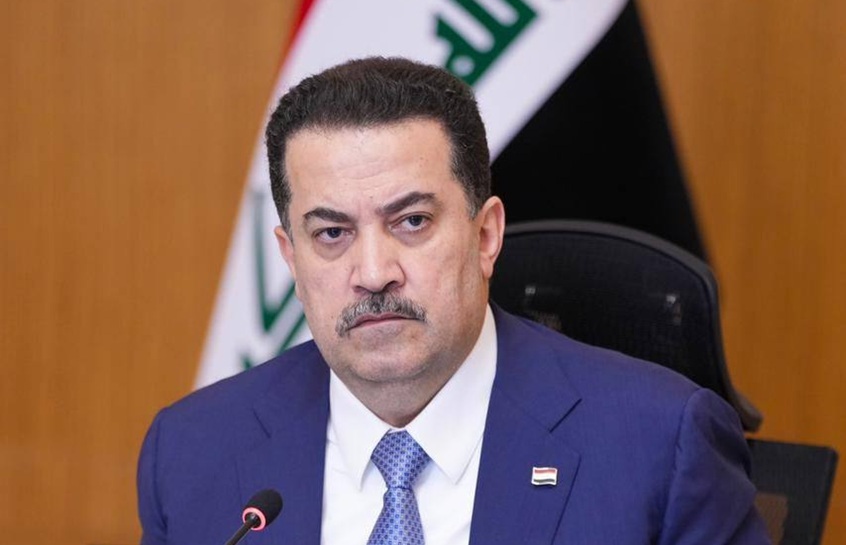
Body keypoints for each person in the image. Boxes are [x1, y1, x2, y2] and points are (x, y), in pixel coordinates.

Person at [137, 57, 770, 545]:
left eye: (412, 221)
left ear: (486, 235)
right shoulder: (192, 454)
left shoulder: (659, 447)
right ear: (291, 259)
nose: (374, 274)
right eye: (331, 233)